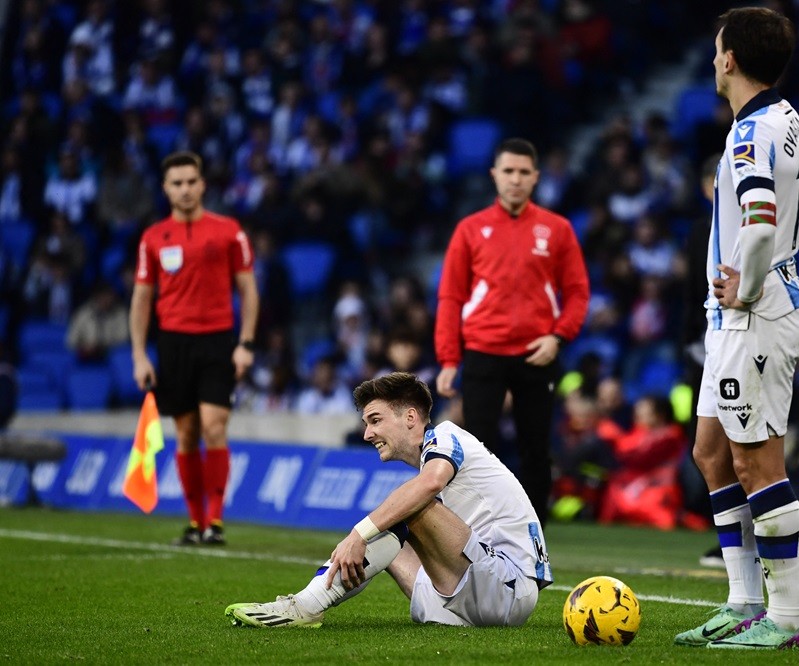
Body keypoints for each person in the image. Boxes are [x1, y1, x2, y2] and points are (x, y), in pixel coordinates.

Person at [673, 8, 799, 651]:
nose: (713, 61)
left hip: (756, 318)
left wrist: (755, 277)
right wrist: (779, 257)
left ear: (731, 59)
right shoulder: (784, 118)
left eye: (716, 52)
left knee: (755, 461)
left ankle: (786, 617)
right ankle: (742, 602)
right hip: (736, 319)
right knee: (710, 453)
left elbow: (762, 224)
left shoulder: (746, 140)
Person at [225, 372, 552, 628]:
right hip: (476, 591)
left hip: (508, 588)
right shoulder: (437, 454)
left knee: (406, 508)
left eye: (375, 420)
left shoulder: (447, 434)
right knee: (394, 536)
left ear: (411, 417)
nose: (367, 434)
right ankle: (309, 601)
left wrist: (359, 533)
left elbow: (430, 483)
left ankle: (304, 607)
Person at [434, 138, 590, 525]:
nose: (515, 179)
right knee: (477, 447)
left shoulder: (557, 229)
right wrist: (449, 359)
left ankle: (532, 537)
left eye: (523, 172)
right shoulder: (471, 229)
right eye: (508, 171)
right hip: (483, 349)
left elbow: (578, 292)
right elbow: (450, 296)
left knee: (535, 449)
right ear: (494, 175)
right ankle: (476, 529)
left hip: (536, 352)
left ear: (536, 177)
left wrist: (558, 338)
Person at [129, 150, 259, 546]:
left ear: (202, 185)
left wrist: (246, 343)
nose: (185, 189)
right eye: (177, 183)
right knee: (185, 434)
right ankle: (196, 521)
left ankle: (215, 521)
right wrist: (139, 354)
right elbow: (141, 299)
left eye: (191, 181)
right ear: (166, 189)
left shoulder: (228, 231)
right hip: (173, 344)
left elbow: (248, 290)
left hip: (218, 340)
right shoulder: (153, 238)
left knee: (214, 426)